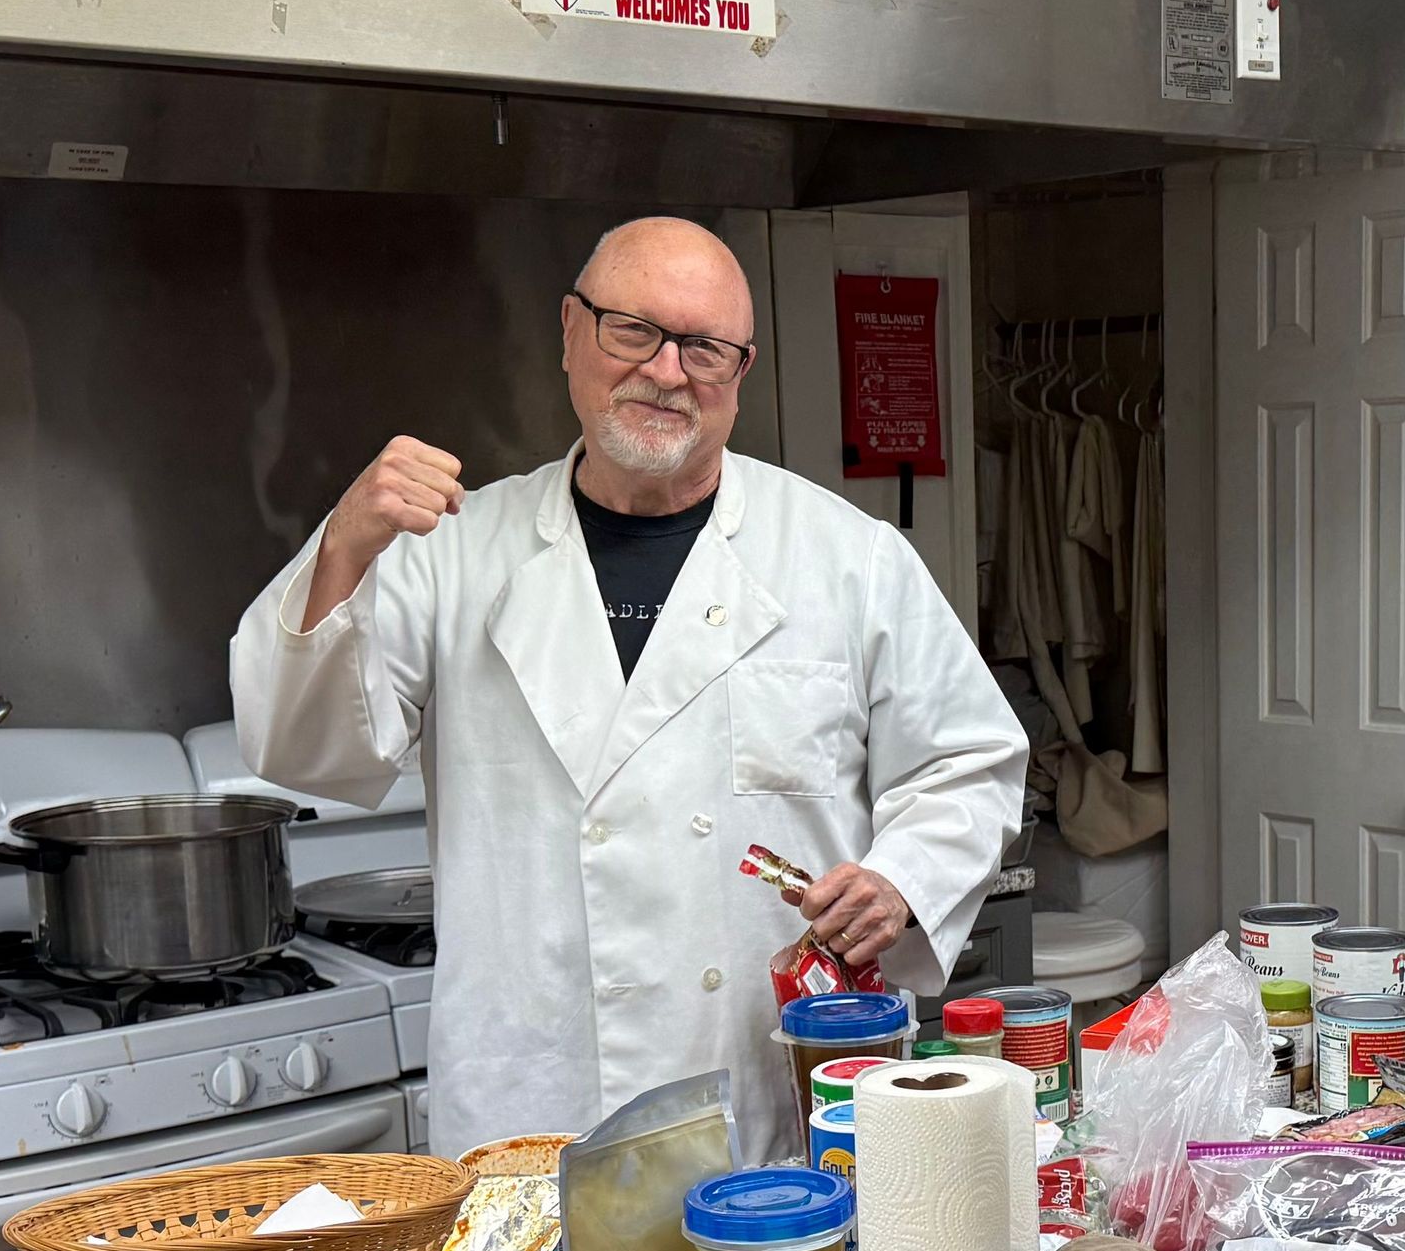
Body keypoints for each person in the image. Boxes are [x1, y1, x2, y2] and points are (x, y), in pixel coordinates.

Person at [231, 216, 1027, 1163]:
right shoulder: (451, 553)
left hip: (761, 1102)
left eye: (706, 348)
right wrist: (345, 547)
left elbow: (970, 761)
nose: (667, 370)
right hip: (535, 1097)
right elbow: (302, 748)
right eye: (632, 331)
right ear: (571, 332)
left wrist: (903, 877)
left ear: (742, 370)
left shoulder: (846, 558)